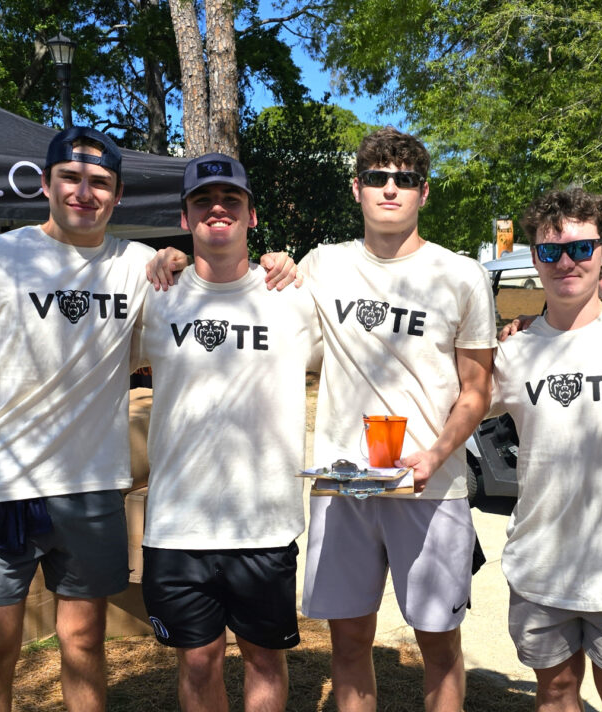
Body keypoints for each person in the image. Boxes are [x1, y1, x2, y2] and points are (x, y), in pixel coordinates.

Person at [0, 127, 297, 712]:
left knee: (85, 644)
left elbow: (203, 294)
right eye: (71, 178)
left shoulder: (140, 266)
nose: (84, 193)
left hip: (90, 486)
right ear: (45, 184)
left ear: (117, 197)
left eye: (100, 183)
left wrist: (272, 261)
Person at [146, 126, 498, 711]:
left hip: (431, 488)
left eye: (405, 180)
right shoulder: (321, 266)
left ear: (424, 192)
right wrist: (172, 255)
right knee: (350, 644)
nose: (391, 190)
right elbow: (243, 285)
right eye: (379, 179)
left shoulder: (459, 274)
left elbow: (478, 388)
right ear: (356, 188)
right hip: (344, 485)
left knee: (440, 645)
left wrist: (434, 455)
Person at [134, 153, 320, 712]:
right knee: (197, 661)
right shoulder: (156, 295)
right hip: (176, 523)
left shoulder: (292, 297)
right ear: (186, 219)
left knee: (264, 658)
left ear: (252, 217)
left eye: (231, 200)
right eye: (203, 202)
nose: (218, 209)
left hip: (262, 520)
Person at [490, 189, 602, 712]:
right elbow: (450, 405)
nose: (566, 261)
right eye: (550, 251)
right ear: (534, 259)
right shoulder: (513, 351)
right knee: (556, 695)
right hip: (540, 564)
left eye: (581, 248)